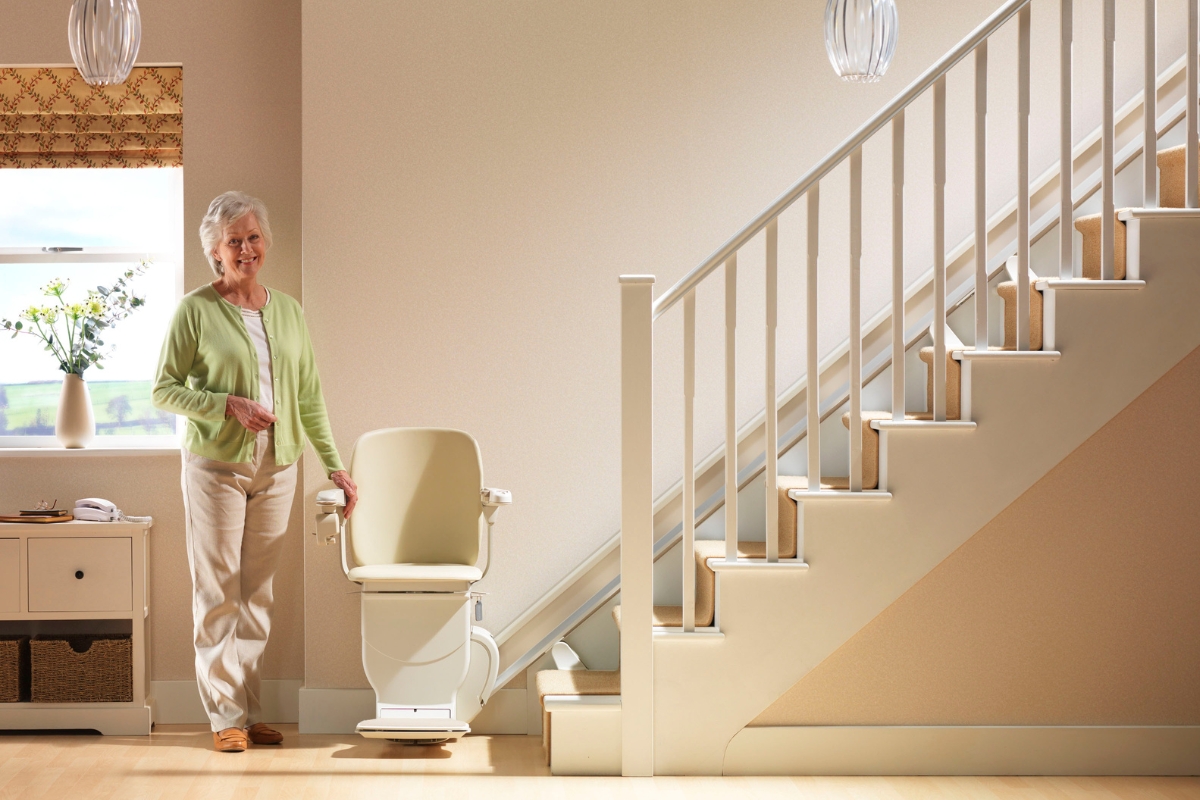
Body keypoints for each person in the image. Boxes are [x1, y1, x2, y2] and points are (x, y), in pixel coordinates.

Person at [153, 191, 358, 753]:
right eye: (233, 241)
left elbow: (309, 396)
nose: (246, 248)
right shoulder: (195, 310)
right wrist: (227, 404)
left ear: (264, 241)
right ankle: (225, 716)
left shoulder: (288, 309)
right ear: (215, 253)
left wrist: (336, 467)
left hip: (279, 464)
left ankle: (248, 709)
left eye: (253, 237)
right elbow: (163, 389)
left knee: (258, 594)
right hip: (215, 466)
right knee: (218, 590)